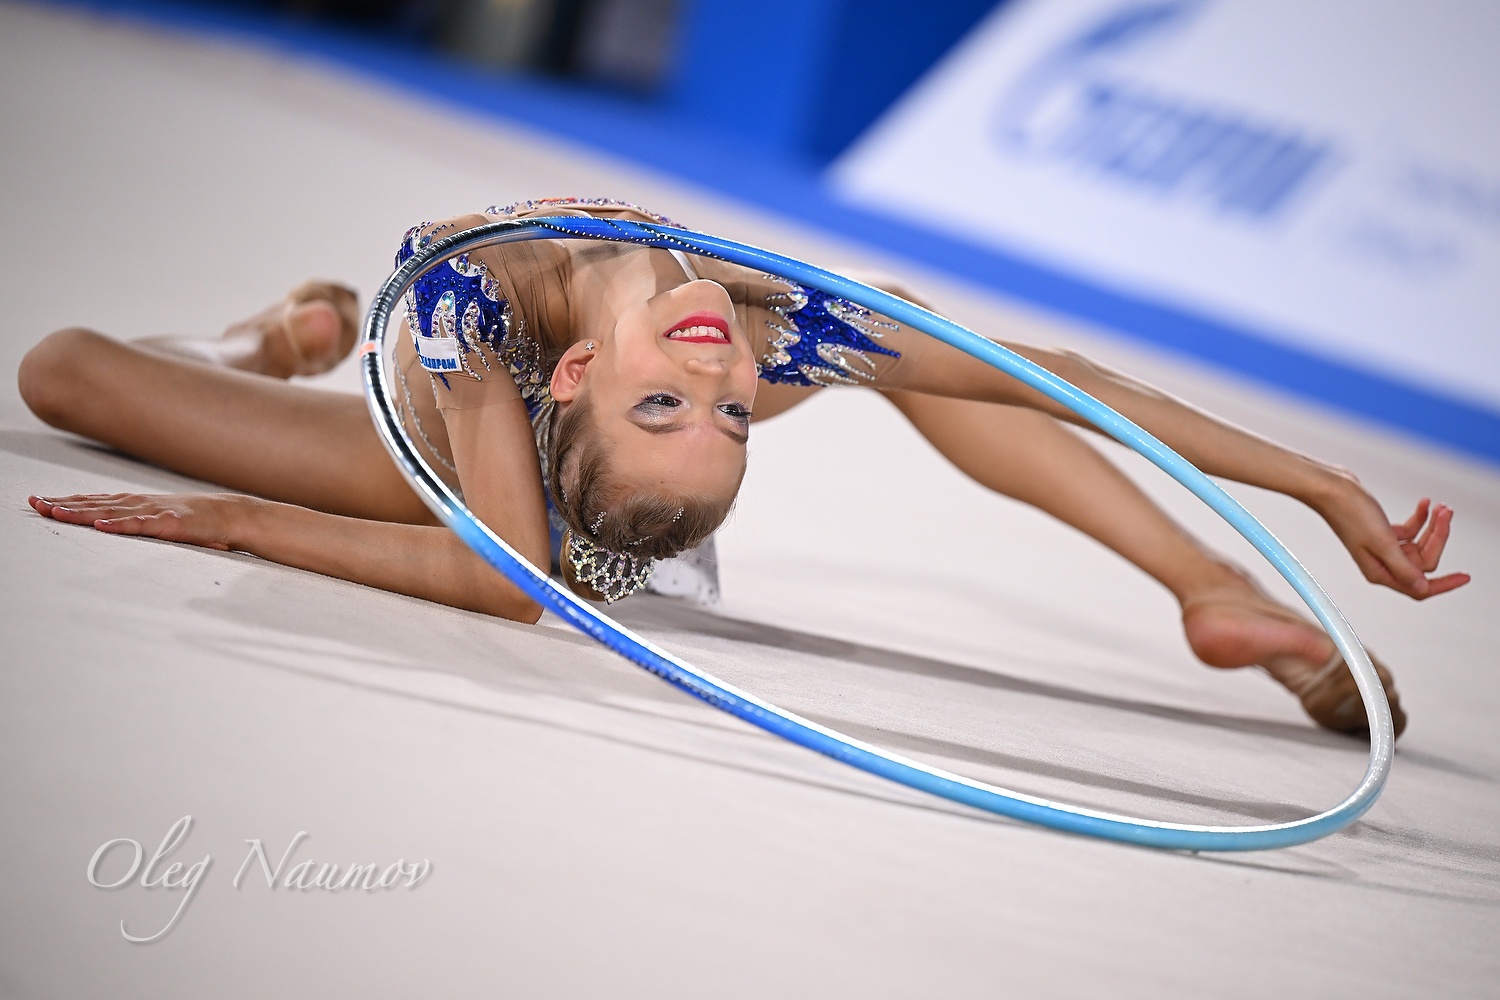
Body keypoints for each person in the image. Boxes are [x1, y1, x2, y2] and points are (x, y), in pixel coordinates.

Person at [17, 199, 1469, 738]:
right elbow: (495, 572)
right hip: (492, 471)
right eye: (718, 411)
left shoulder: (561, 327)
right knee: (62, 372)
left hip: (497, 467)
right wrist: (236, 525)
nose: (725, 384)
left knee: (62, 372)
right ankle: (271, 339)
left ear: (581, 380)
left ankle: (1206, 587)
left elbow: (1059, 378)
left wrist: (1317, 486)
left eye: (698, 407)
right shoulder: (678, 335)